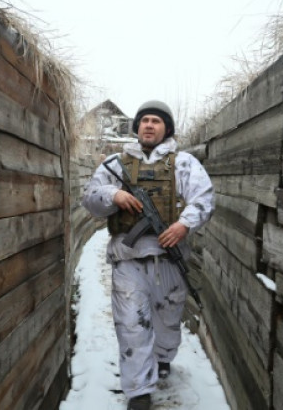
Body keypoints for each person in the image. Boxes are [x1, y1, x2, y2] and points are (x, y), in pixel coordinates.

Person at [81, 100, 214, 410]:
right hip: (129, 258)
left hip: (171, 258)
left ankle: (163, 358)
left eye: (156, 121)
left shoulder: (184, 164)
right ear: (137, 127)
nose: (149, 125)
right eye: (144, 121)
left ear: (166, 128)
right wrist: (113, 194)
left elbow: (204, 198)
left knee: (167, 320)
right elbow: (90, 198)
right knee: (131, 324)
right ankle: (139, 390)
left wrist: (183, 225)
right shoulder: (115, 164)